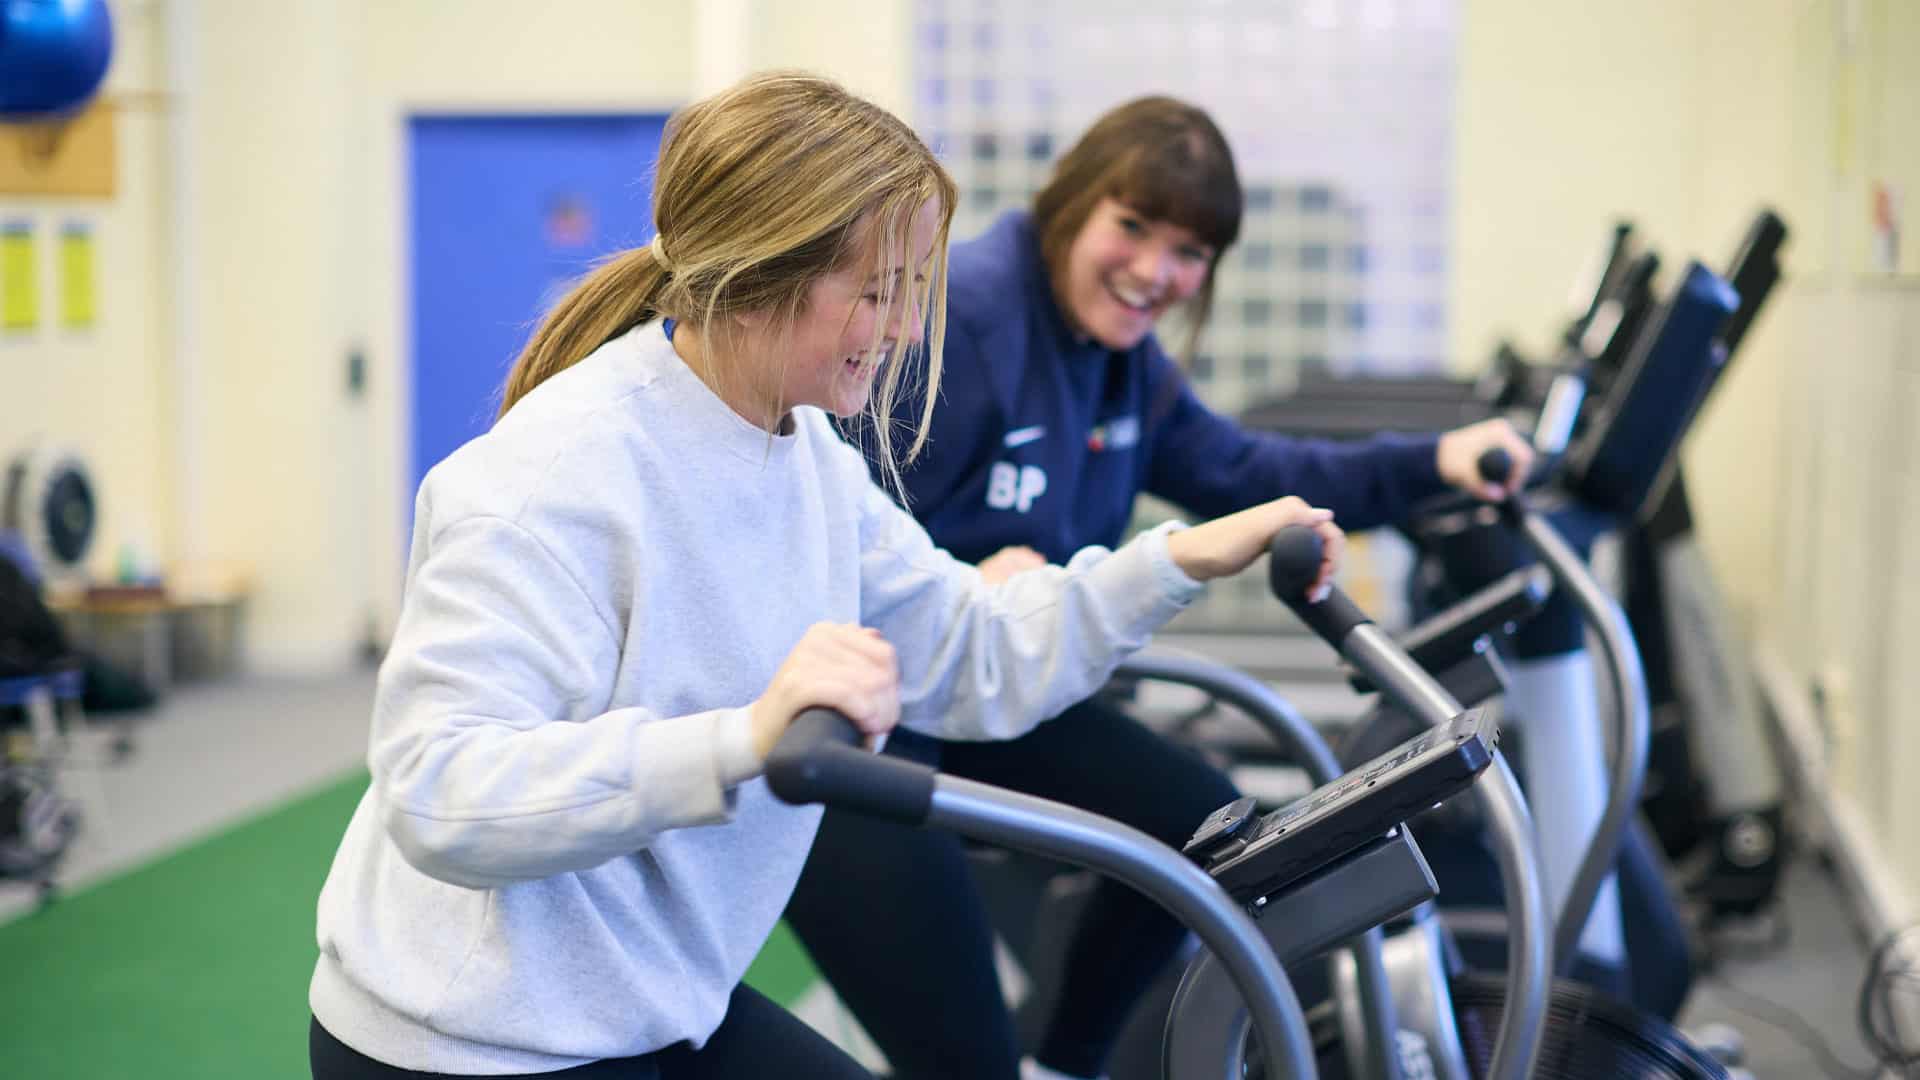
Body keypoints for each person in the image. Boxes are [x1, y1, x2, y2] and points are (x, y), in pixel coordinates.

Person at [306, 73, 1345, 1080]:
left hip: (648, 1004)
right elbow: (442, 796)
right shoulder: (550, 484)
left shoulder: (804, 453)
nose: (903, 329)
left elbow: (971, 650)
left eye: (911, 292)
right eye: (878, 293)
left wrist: (1183, 557)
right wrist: (744, 740)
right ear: (760, 278)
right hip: (471, 1044)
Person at [786, 95, 1535, 1080]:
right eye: (1132, 227)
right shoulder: (964, 320)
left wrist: (1438, 461)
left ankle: (1066, 1059)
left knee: (1201, 824)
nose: (1154, 272)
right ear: (1070, 206)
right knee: (961, 1052)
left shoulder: (1124, 365)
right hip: (870, 718)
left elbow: (1250, 475)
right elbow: (828, 537)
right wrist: (962, 580)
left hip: (994, 681)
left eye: (1187, 252)